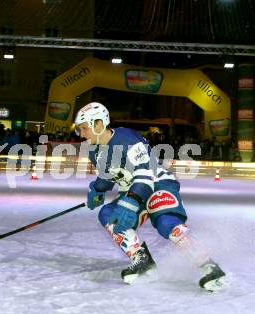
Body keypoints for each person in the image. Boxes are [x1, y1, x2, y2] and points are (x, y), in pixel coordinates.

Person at [74, 102, 226, 291]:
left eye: (84, 128)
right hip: (133, 191)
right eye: (79, 130)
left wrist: (130, 201)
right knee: (108, 215)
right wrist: (97, 189)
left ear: (99, 124)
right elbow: (108, 174)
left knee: (166, 223)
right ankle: (142, 260)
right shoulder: (94, 150)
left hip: (157, 184)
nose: (82, 134)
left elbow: (145, 174)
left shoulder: (127, 138)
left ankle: (209, 267)